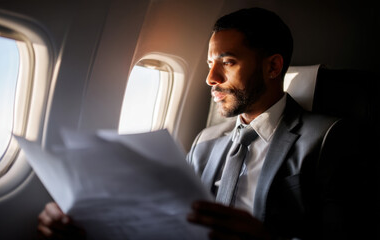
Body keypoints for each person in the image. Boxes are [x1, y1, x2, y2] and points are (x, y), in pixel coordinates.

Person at [37, 7, 367, 240]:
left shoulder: (329, 137)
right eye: (210, 63)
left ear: (273, 67)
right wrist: (84, 217)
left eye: (228, 62)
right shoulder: (206, 141)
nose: (210, 78)